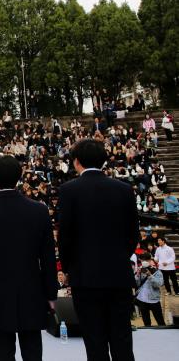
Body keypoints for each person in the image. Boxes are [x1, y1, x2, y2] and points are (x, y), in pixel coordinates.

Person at [57, 139, 139, 361]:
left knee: (94, 341)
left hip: (85, 277)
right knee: (122, 339)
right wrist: (119, 257)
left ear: (76, 161)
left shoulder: (68, 190)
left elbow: (65, 236)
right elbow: (133, 234)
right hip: (119, 275)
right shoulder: (124, 189)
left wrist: (69, 267)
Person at [0, 156, 57, 361]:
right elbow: (48, 258)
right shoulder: (39, 210)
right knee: (33, 350)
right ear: (20, 176)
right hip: (32, 289)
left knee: (3, 351)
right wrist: (51, 294)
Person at [134, 254, 165, 327]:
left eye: (144, 260)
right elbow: (136, 284)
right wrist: (137, 275)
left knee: (160, 322)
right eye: (142, 261)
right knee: (146, 322)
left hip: (153, 299)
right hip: (142, 299)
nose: (143, 262)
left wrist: (150, 275)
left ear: (149, 260)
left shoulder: (157, 271)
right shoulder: (141, 270)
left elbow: (158, 284)